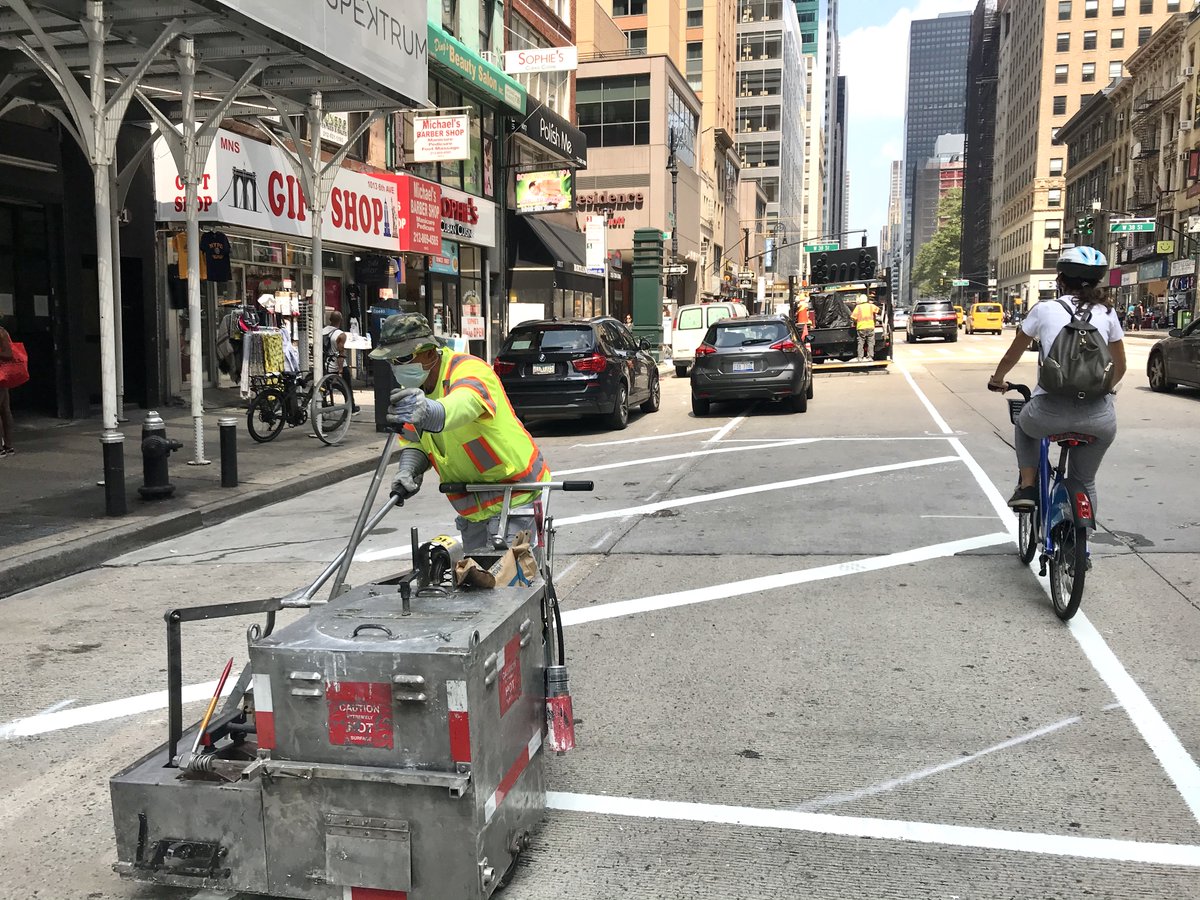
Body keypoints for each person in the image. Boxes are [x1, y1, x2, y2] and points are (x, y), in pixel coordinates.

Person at [369, 313, 551, 551]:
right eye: (391, 361)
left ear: (430, 352)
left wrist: (428, 410)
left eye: (403, 358)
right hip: (471, 505)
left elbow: (463, 405)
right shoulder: (414, 390)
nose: (396, 367)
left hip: (515, 495)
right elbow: (415, 441)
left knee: (508, 582)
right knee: (475, 581)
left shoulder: (468, 369)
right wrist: (408, 470)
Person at [987, 247, 1126, 512]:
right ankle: (1080, 549)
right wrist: (1104, 392)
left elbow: (1011, 356)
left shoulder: (1044, 309)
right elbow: (1120, 366)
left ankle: (1027, 486)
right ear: (1098, 282)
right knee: (1085, 481)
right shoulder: (1108, 313)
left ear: (1060, 280)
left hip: (1048, 410)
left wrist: (998, 379)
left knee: (1024, 427)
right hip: (1099, 418)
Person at [322, 311, 359, 414]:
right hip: (337, 365)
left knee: (324, 388)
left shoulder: (322, 332)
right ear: (341, 320)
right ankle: (351, 407)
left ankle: (324, 406)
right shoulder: (341, 335)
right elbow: (341, 354)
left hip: (326, 365)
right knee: (347, 387)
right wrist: (341, 370)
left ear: (330, 320)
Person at [850, 293, 880, 361]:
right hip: (870, 327)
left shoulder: (858, 307)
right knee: (870, 342)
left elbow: (853, 317)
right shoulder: (871, 306)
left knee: (860, 342)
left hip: (861, 328)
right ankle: (870, 356)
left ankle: (860, 357)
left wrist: (855, 322)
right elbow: (879, 311)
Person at [0, 324, 14, 457]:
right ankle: (8, 446)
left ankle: (3, 447)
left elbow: (9, 354)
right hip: (3, 375)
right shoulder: (3, 331)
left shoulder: (1, 332)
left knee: (4, 410)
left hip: (0, 374)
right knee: (5, 410)